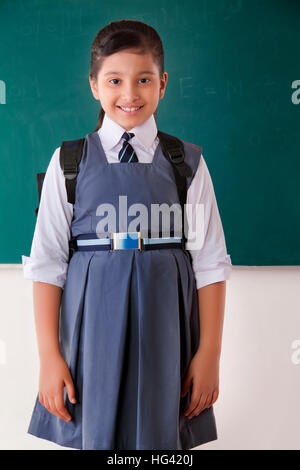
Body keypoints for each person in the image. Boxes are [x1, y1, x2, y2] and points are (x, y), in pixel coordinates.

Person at [22, 19, 232, 450]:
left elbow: (210, 262)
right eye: (115, 80)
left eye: (144, 80)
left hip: (166, 332)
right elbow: (47, 264)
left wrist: (208, 354)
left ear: (163, 84)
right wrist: (48, 357)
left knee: (159, 439)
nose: (130, 94)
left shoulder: (186, 163)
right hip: (90, 334)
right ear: (95, 85)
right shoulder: (70, 162)